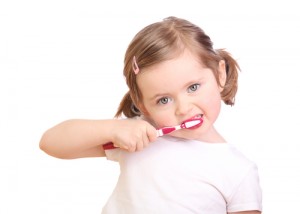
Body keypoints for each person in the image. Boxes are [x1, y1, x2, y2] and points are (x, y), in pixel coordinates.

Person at [39, 16, 262, 213]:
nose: (183, 108)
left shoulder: (239, 172)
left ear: (219, 74)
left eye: (193, 87)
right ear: (143, 105)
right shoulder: (140, 137)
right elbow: (50, 143)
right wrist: (113, 129)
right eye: (164, 100)